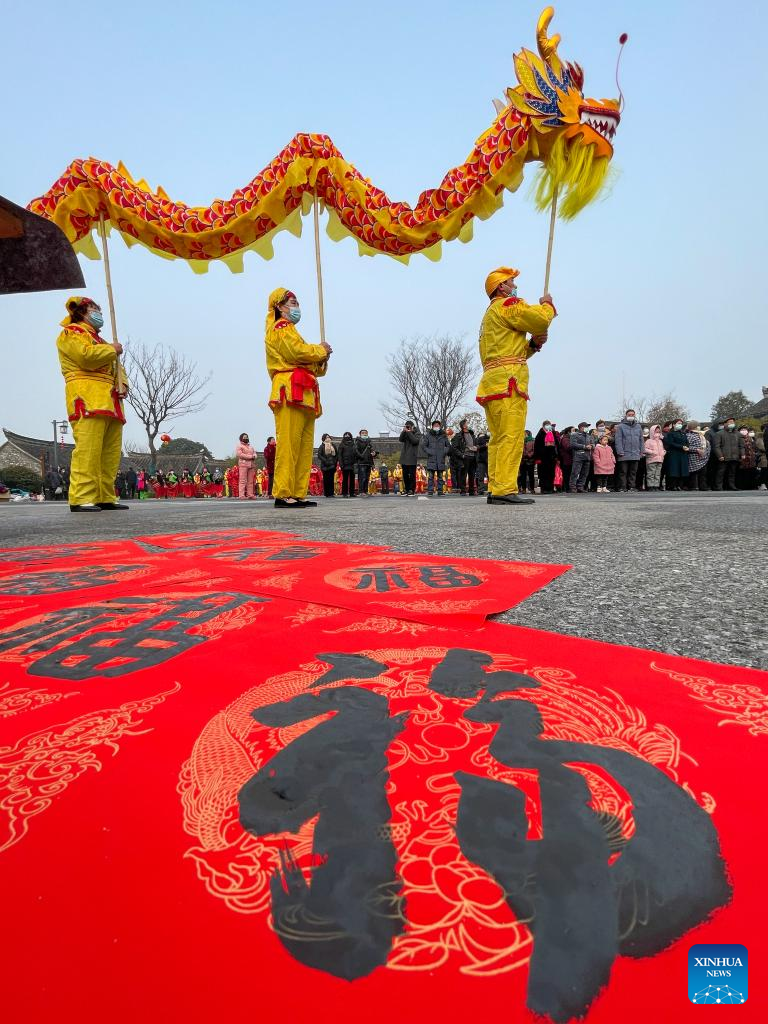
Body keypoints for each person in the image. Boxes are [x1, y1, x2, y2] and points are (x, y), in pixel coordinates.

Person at [476, 268, 555, 505]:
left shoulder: (490, 316)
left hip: (493, 382)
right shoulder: (508, 305)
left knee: (498, 439)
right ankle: (505, 489)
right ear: (501, 286)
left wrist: (533, 345)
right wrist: (547, 305)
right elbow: (538, 319)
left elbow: (511, 354)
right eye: (511, 282)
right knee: (511, 437)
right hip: (509, 383)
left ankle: (496, 487)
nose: (515, 286)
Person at [56, 296, 129, 511]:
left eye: (99, 310)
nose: (99, 313)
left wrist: (123, 384)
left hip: (111, 401)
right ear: (81, 312)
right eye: (94, 309)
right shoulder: (71, 333)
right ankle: (81, 497)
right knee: (88, 452)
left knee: (110, 455)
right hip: (87, 398)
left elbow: (118, 369)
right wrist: (112, 350)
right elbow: (85, 357)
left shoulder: (103, 342)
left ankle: (105, 496)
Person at [264, 288, 331, 508]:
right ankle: (283, 493)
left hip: (305, 391)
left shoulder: (292, 331)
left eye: (297, 303)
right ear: (279, 306)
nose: (296, 307)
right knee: (289, 445)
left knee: (303, 447)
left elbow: (311, 364)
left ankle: (298, 492)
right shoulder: (280, 328)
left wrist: (321, 358)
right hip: (289, 389)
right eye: (292, 303)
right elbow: (295, 352)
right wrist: (319, 351)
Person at [614, 409, 644, 492]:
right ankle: (622, 487)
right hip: (624, 453)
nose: (631, 416)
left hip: (635, 453)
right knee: (623, 471)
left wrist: (641, 451)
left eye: (632, 415)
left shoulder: (638, 426)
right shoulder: (620, 426)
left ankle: (631, 487)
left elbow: (641, 440)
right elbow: (618, 440)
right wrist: (620, 451)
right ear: (626, 415)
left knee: (633, 472)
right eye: (629, 415)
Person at [712, 416, 744, 490]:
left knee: (732, 472)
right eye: (730, 422)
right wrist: (720, 455)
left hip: (735, 456)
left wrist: (742, 454)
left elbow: (741, 446)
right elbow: (716, 446)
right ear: (725, 424)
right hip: (724, 456)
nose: (732, 423)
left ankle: (732, 486)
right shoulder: (719, 433)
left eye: (733, 422)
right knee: (721, 472)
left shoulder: (738, 434)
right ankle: (719, 486)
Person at [422, 419, 450, 496]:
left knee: (440, 476)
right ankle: (430, 491)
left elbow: (448, 446)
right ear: (432, 427)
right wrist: (429, 451)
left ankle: (440, 491)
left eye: (438, 425)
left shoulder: (444, 436)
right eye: (435, 425)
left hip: (440, 459)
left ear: (440, 427)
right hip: (431, 459)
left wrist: (444, 452)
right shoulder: (428, 435)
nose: (436, 427)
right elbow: (424, 446)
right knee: (430, 476)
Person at [452, 419, 478, 495]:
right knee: (463, 474)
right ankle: (463, 490)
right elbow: (454, 448)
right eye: (467, 423)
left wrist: (476, 447)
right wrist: (462, 455)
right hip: (465, 457)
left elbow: (476, 444)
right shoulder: (459, 436)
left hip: (473, 456)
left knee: (472, 474)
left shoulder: (472, 434)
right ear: (463, 426)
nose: (468, 424)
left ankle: (471, 491)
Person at [663, 420, 690, 490]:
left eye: (681, 423)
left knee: (682, 469)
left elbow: (687, 441)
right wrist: (681, 447)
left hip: (683, 454)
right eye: (678, 423)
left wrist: (687, 446)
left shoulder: (683, 433)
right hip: (674, 454)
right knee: (674, 470)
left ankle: (679, 485)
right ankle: (672, 485)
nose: (680, 425)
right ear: (674, 425)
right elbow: (671, 443)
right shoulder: (670, 433)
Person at [533, 420, 559, 494]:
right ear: (543, 426)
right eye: (547, 425)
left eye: (549, 425)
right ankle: (544, 488)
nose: (548, 426)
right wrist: (537, 458)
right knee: (543, 473)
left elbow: (557, 445)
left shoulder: (553, 433)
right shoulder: (540, 434)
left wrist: (557, 456)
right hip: (542, 457)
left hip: (551, 457)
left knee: (551, 473)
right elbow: (536, 447)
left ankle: (550, 488)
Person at [568, 422, 593, 494]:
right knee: (575, 472)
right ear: (581, 427)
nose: (587, 428)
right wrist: (584, 446)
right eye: (586, 426)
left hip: (587, 456)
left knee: (584, 473)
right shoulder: (574, 435)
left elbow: (593, 443)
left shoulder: (588, 436)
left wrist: (592, 446)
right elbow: (572, 444)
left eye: (587, 427)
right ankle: (572, 487)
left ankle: (580, 487)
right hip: (578, 456)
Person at [685, 422, 710, 491]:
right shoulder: (689, 435)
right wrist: (696, 450)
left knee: (703, 473)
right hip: (693, 456)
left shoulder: (701, 435)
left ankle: (703, 486)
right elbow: (687, 447)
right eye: (697, 426)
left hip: (703, 457)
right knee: (694, 473)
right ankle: (693, 486)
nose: (699, 427)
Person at [399, 421, 421, 495]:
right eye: (406, 426)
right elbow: (400, 439)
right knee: (405, 475)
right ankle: (406, 489)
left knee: (412, 475)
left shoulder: (417, 432)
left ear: (412, 426)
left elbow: (415, 441)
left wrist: (409, 432)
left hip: (412, 456)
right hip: (404, 456)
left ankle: (411, 489)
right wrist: (403, 431)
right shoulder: (405, 432)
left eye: (409, 426)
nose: (408, 427)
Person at [354, 429, 377, 497]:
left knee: (367, 478)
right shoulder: (358, 441)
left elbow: (372, 451)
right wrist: (361, 456)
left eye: (366, 433)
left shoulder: (369, 442)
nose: (364, 434)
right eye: (363, 433)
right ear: (360, 434)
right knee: (362, 478)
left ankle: (366, 491)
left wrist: (374, 453)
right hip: (361, 462)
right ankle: (361, 491)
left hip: (368, 462)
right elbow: (356, 451)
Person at [644, 425, 665, 490]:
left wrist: (663, 453)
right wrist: (652, 452)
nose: (657, 433)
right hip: (651, 460)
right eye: (656, 432)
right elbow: (645, 449)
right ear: (652, 432)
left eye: (659, 432)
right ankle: (650, 486)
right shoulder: (649, 441)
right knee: (651, 473)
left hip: (660, 459)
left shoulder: (660, 441)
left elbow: (662, 449)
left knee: (657, 474)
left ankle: (656, 486)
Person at [236, 432, 257, 499]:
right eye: (244, 437)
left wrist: (254, 456)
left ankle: (250, 494)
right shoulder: (239, 446)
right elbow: (240, 455)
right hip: (243, 465)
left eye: (247, 437)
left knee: (250, 481)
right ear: (241, 438)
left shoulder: (251, 447)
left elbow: (255, 453)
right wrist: (251, 456)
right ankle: (241, 495)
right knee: (242, 480)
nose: (246, 438)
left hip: (251, 465)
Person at [317, 433, 338, 497]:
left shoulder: (333, 445)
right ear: (323, 439)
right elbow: (319, 455)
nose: (328, 438)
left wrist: (334, 462)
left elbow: (336, 455)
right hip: (325, 466)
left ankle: (331, 493)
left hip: (332, 465)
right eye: (326, 437)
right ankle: (327, 493)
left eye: (328, 437)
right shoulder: (322, 446)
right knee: (326, 480)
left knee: (331, 480)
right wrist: (325, 461)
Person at [338, 431, 357, 497]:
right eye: (346, 435)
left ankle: (352, 493)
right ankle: (344, 493)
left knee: (352, 479)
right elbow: (339, 455)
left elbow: (356, 453)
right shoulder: (341, 444)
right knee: (345, 479)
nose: (347, 436)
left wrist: (356, 462)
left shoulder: (354, 444)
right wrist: (341, 464)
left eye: (348, 435)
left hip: (352, 464)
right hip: (345, 464)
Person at [518, 429, 535, 493]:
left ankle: (532, 489)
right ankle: (524, 489)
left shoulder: (532, 441)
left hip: (530, 460)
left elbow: (534, 450)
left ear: (527, 434)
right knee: (523, 475)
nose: (523, 435)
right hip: (522, 460)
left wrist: (529, 454)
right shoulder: (520, 441)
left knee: (531, 475)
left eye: (524, 434)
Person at [557, 427, 574, 493]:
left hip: (569, 459)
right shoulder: (565, 439)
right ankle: (566, 488)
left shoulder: (569, 438)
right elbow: (567, 447)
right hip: (566, 459)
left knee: (568, 474)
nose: (574, 432)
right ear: (569, 432)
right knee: (567, 474)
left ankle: (567, 487)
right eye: (573, 430)